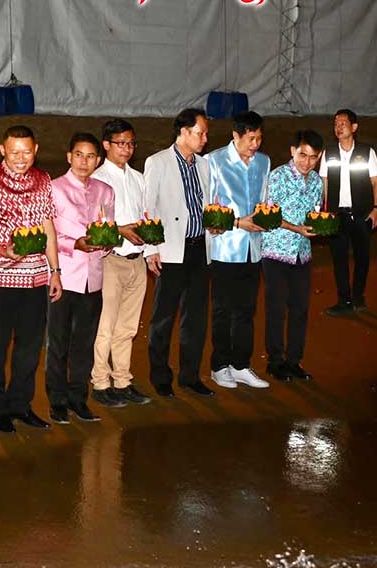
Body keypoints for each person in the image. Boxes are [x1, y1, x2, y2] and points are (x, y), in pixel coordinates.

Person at [0, 126, 63, 433]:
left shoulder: (43, 180)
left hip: (36, 277)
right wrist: (3, 250)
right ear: (2, 150)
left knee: (29, 346)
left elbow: (48, 225)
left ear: (35, 150)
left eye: (26, 151)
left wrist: (55, 271)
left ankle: (20, 404)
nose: (20, 158)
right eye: (14, 152)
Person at [143, 108, 214, 398]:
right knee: (163, 317)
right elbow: (148, 208)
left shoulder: (203, 165)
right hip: (170, 249)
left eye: (206, 133)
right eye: (200, 133)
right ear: (183, 132)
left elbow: (205, 203)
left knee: (195, 318)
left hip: (199, 248)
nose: (205, 139)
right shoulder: (157, 162)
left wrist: (214, 226)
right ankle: (160, 376)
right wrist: (151, 249)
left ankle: (190, 376)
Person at [47, 132, 113, 424]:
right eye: (78, 155)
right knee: (58, 342)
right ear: (68, 157)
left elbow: (109, 229)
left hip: (93, 278)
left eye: (90, 156)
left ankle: (78, 399)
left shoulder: (105, 191)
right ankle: (57, 401)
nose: (84, 161)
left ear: (98, 160)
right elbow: (48, 235)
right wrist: (75, 243)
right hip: (64, 276)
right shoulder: (54, 189)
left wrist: (106, 242)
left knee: (84, 343)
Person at [205, 110, 271, 390]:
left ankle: (241, 365)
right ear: (236, 135)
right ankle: (219, 366)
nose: (255, 144)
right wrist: (236, 222)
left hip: (252, 249)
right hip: (225, 248)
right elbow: (208, 208)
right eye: (250, 138)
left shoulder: (264, 162)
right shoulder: (214, 160)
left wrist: (266, 219)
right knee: (223, 309)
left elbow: (264, 200)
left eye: (259, 138)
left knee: (246, 309)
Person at [90, 119, 152, 409]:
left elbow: (146, 216)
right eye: (120, 143)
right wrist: (120, 231)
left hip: (137, 260)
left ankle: (123, 380)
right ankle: (100, 382)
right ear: (106, 145)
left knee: (127, 327)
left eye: (130, 143)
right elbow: (92, 224)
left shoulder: (139, 178)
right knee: (106, 325)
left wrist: (151, 250)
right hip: (110, 259)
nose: (126, 149)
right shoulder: (97, 179)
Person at [263, 130, 324, 382]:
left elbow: (315, 213)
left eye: (313, 157)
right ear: (292, 151)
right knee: (276, 308)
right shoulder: (278, 176)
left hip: (302, 254)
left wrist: (320, 226)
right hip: (276, 252)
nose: (306, 162)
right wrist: (297, 228)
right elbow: (269, 214)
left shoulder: (317, 182)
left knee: (300, 308)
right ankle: (275, 362)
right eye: (302, 155)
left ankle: (294, 361)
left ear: (319, 157)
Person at [319, 109, 377, 316]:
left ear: (354, 127)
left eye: (343, 123)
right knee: (339, 260)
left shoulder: (367, 151)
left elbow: (375, 182)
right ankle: (344, 300)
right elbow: (324, 183)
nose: (338, 127)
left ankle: (358, 296)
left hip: (362, 215)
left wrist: (376, 209)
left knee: (362, 257)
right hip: (337, 216)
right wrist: (324, 210)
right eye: (336, 124)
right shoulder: (328, 152)